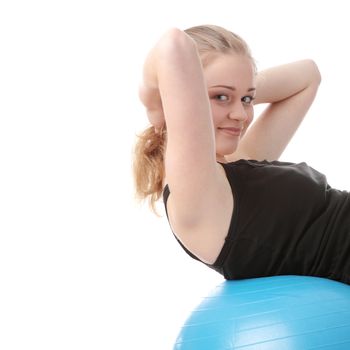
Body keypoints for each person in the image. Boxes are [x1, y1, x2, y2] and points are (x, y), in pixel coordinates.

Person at [133, 25, 350, 284]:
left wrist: (237, 90)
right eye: (221, 96)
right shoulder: (198, 194)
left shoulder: (234, 168)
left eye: (247, 100)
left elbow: (308, 75)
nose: (241, 115)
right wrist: (155, 103)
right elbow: (174, 44)